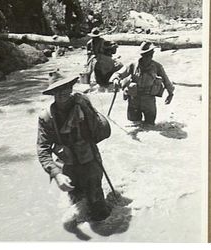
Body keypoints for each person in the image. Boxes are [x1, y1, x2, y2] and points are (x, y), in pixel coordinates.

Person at [37, 76, 112, 221]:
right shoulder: (46, 117)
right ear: (52, 94)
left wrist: (86, 107)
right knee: (76, 204)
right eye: (57, 90)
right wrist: (56, 174)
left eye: (65, 88)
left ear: (71, 88)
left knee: (99, 210)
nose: (62, 93)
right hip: (67, 166)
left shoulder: (83, 104)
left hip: (90, 161)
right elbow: (42, 148)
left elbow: (98, 131)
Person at [109, 41, 175, 125]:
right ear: (142, 55)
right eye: (146, 55)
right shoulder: (133, 65)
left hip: (149, 101)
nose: (149, 57)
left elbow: (166, 81)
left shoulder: (157, 66)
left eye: (151, 54)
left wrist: (170, 94)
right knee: (134, 124)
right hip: (134, 100)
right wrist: (115, 79)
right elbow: (118, 73)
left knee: (150, 125)